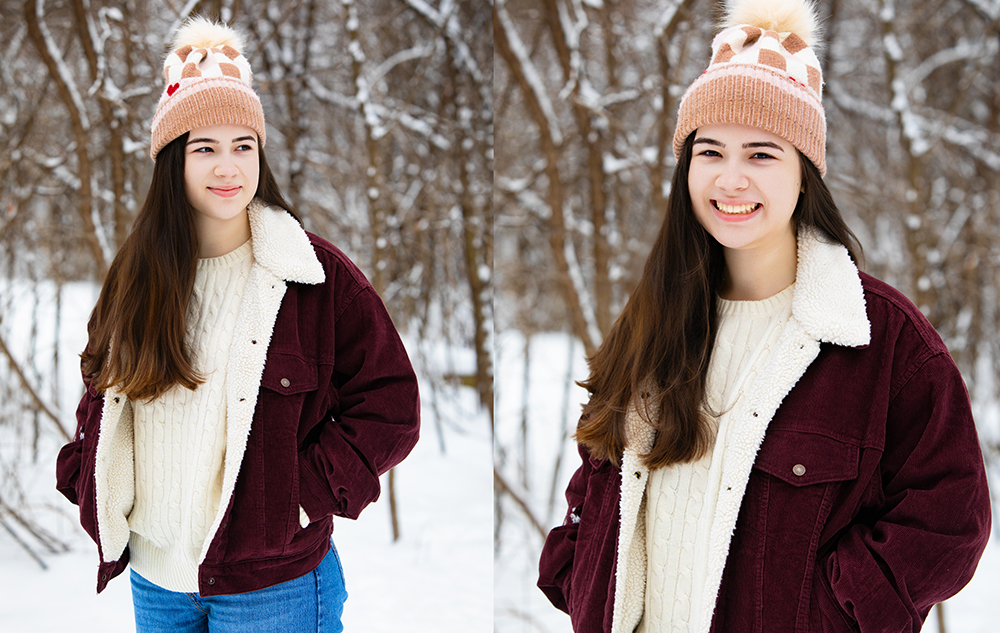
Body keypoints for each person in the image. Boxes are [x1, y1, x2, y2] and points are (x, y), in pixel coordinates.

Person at [537, 0, 991, 631]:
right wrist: (579, 561)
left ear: (805, 174)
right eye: (710, 152)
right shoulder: (653, 319)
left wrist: (832, 608)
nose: (730, 180)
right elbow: (599, 470)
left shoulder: (883, 342)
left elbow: (950, 518)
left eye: (761, 154)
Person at [55, 16, 420, 633]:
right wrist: (88, 469)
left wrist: (300, 496)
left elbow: (390, 404)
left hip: (269, 585)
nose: (228, 167)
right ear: (173, 159)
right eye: (205, 148)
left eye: (242, 146)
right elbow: (103, 389)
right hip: (157, 579)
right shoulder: (136, 276)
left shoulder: (313, 275)